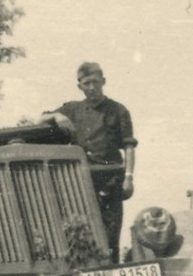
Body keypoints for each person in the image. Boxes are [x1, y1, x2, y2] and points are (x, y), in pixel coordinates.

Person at [41, 61, 138, 261]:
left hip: (111, 178)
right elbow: (39, 119)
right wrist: (56, 116)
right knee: (81, 230)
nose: (91, 87)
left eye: (95, 82)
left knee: (110, 233)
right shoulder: (72, 109)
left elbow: (129, 146)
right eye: (86, 83)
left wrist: (129, 177)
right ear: (80, 86)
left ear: (103, 81)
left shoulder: (118, 110)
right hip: (80, 181)